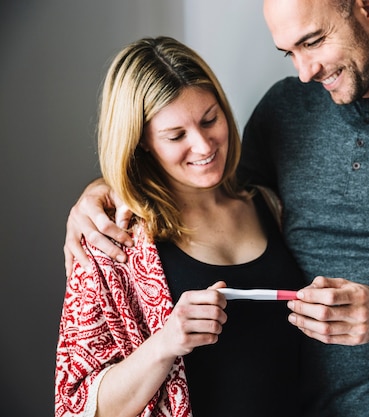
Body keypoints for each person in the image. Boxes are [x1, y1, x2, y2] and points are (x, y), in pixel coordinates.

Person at [63, 1, 369, 416]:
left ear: (366, 5)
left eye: (313, 41)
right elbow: (208, 189)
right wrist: (103, 190)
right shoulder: (284, 110)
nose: (304, 71)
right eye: (289, 51)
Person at [55, 36, 304, 417]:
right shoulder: (110, 242)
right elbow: (75, 406)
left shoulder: (269, 205)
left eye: (210, 119)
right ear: (140, 143)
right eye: (176, 136)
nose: (204, 146)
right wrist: (165, 342)